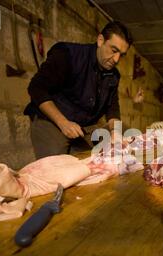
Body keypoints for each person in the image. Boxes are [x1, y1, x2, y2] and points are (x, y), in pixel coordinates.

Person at [24, 21, 133, 159]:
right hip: (52, 120)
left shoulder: (113, 75)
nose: (116, 59)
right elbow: (36, 88)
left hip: (81, 126)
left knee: (122, 134)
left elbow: (112, 108)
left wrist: (115, 132)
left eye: (121, 55)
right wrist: (63, 123)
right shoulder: (68, 55)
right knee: (56, 169)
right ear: (100, 40)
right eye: (114, 50)